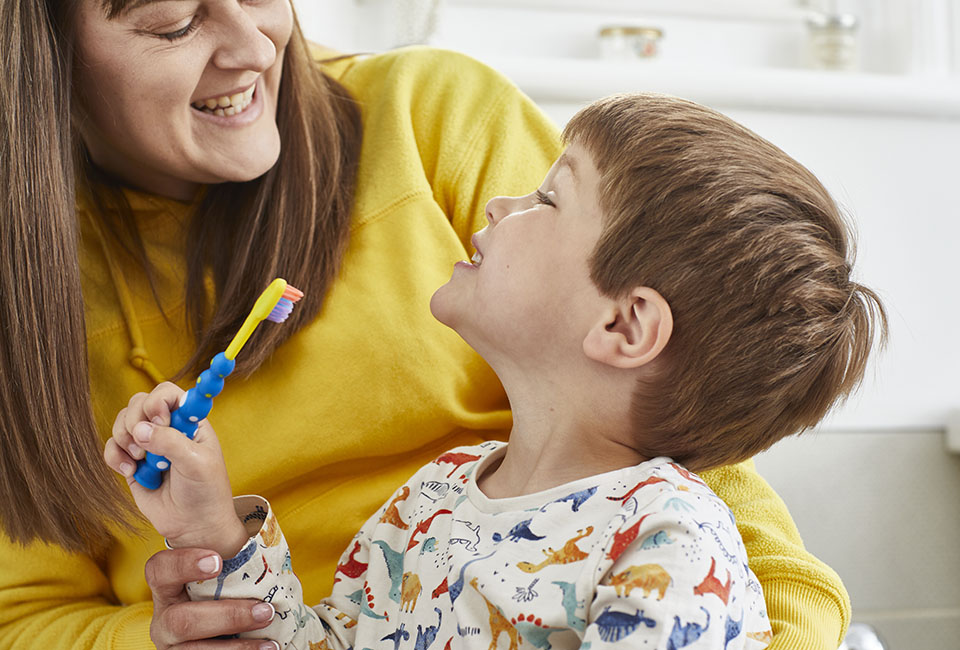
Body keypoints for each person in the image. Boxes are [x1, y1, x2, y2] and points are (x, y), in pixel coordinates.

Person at [0, 0, 862, 648]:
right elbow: (329, 635)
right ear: (48, 54)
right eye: (176, 22)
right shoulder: (436, 498)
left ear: (626, 326)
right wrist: (211, 547)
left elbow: (701, 441)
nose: (257, 43)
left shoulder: (669, 533)